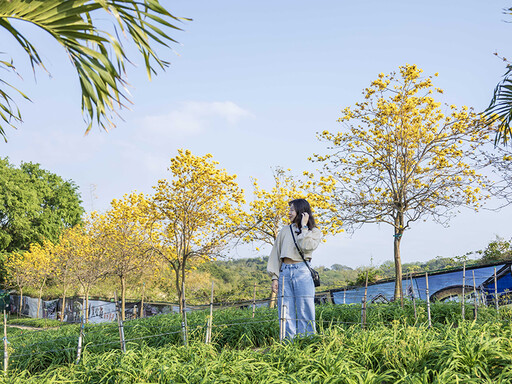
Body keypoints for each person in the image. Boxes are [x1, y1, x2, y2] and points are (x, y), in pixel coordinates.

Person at [267, 198, 322, 339]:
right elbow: (275, 254)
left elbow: (307, 247)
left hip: (302, 271)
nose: (289, 213)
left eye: (292, 209)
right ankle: (288, 343)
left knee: (305, 308)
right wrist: (275, 277)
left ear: (302, 212)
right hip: (284, 271)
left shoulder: (314, 232)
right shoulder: (285, 231)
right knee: (285, 309)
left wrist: (303, 227)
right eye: (289, 210)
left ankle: (308, 341)